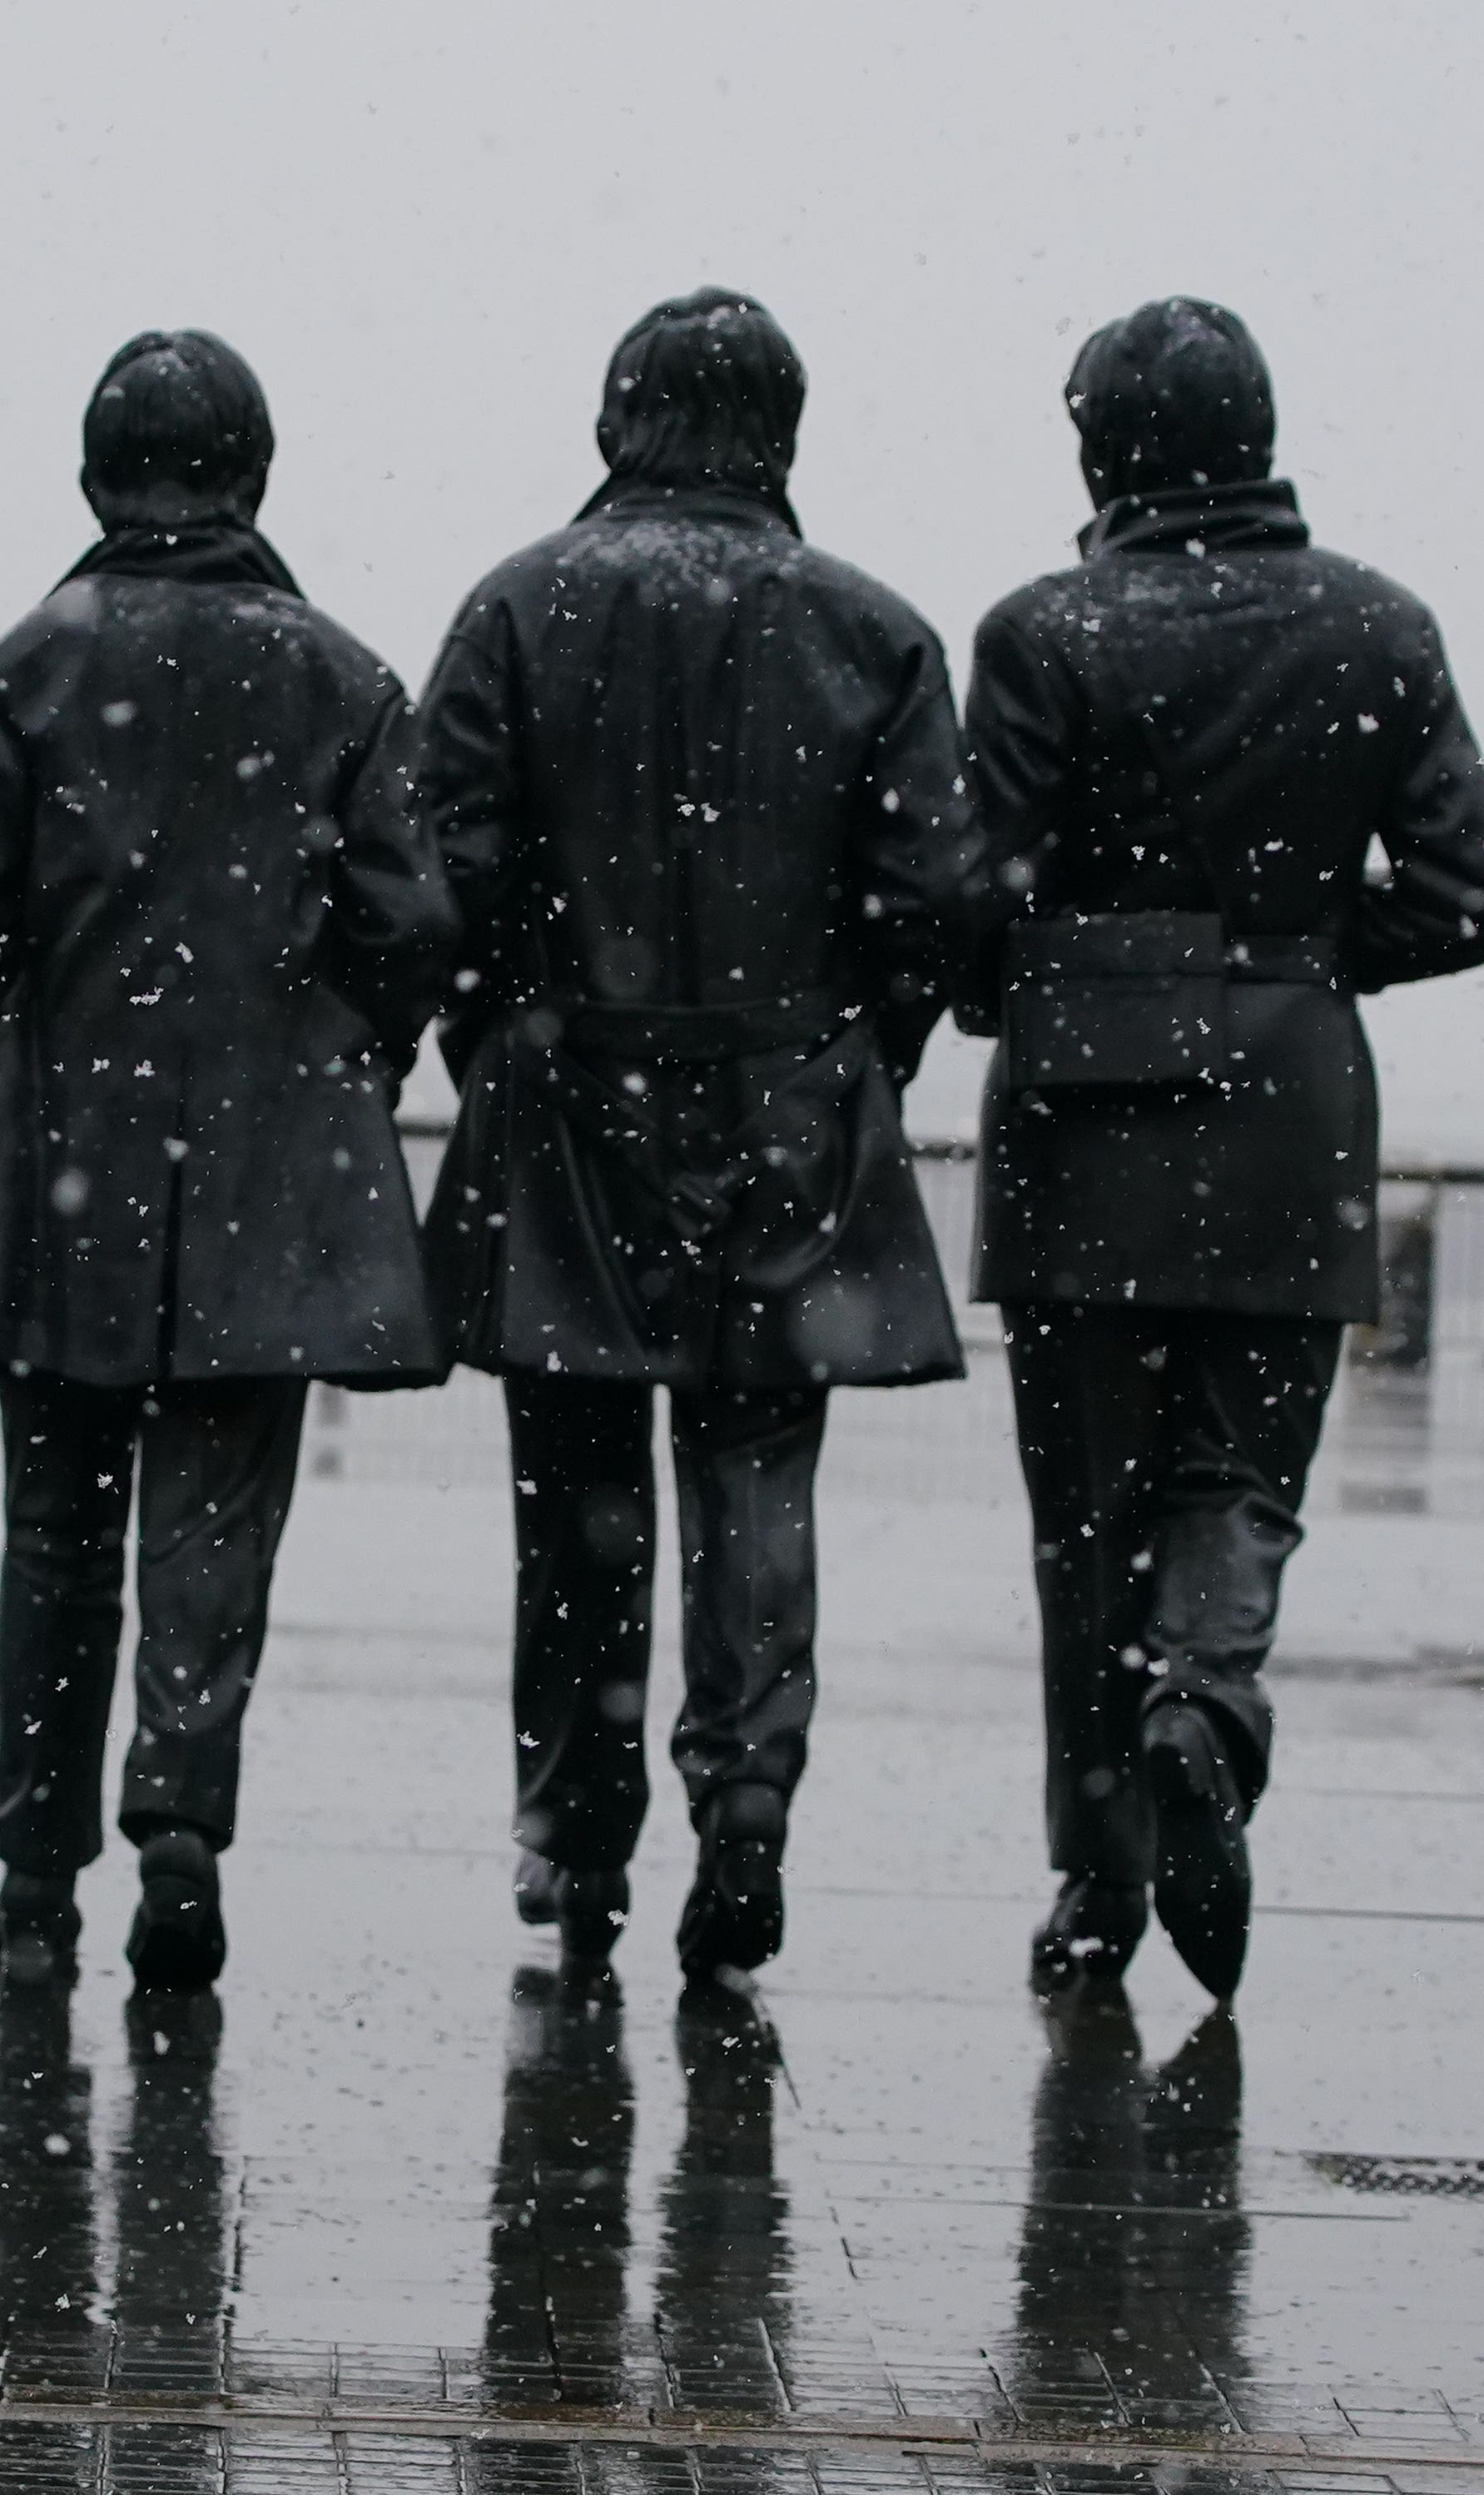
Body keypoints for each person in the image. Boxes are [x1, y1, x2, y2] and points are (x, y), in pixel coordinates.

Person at [415, 289, 986, 1988]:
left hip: (571, 1096)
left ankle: (574, 1834)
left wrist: (501, 1029)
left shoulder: (519, 606)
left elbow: (449, 876)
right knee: (756, 1476)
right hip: (788, 1102)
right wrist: (846, 1048)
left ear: (618, 422)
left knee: (578, 1494)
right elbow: (939, 903)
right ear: (783, 436)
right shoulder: (871, 633)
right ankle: (745, 1795)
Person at [960, 298, 1484, 2000]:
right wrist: (1295, 946)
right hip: (1291, 1104)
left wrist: (1047, 972)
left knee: (1083, 1523)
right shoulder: (1377, 625)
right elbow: (1479, 892)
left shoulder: (1043, 629)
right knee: (1240, 1479)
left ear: (1096, 451)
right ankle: (1205, 1696)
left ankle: (1093, 1884)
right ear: (1258, 437)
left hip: (1084, 1112)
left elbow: (972, 892)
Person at [0, 330, 450, 1989]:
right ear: (254, 478)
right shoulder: (340, 678)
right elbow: (410, 923)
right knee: (215, 1519)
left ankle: (32, 1877)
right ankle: (182, 1816)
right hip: (272, 1167)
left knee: (53, 1524)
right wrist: (338, 1058)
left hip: (63, 1154)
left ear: (91, 477)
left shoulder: (23, 670)